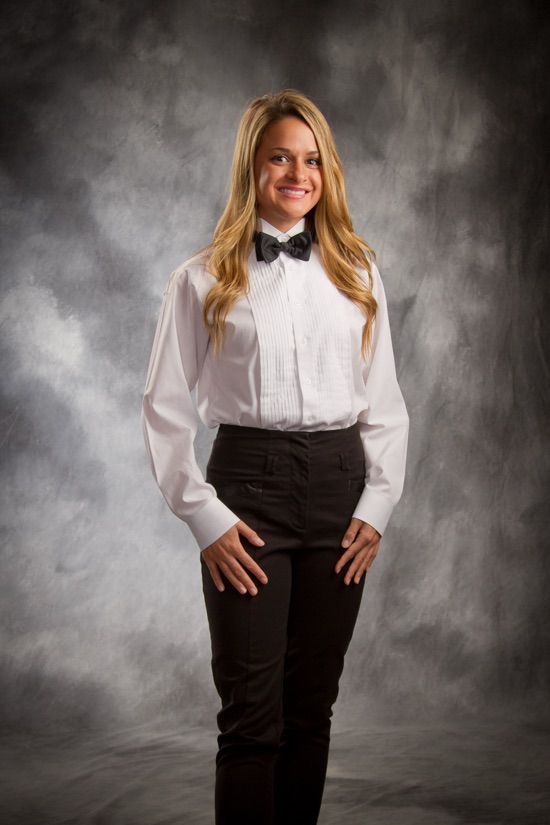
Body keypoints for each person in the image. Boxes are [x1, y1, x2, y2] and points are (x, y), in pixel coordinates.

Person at [142, 89, 409, 825]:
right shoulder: (200, 277)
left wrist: (377, 505)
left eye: (312, 159)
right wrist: (204, 518)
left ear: (329, 171)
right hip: (247, 493)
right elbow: (164, 408)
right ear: (251, 168)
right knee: (251, 717)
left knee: (311, 708)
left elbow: (384, 401)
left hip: (341, 492)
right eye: (280, 158)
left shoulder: (358, 271)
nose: (298, 174)